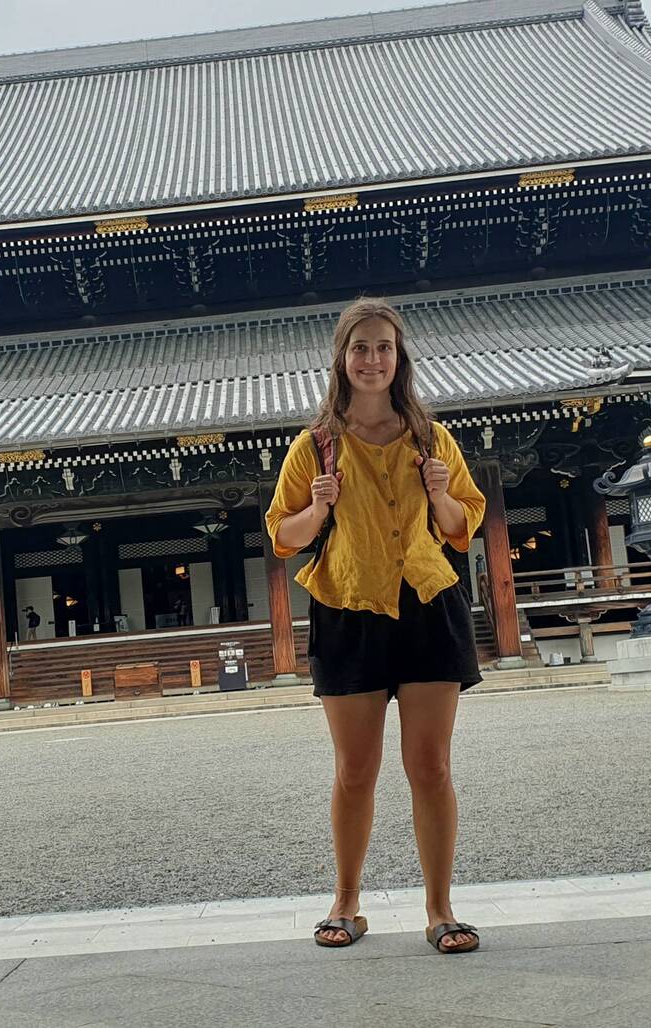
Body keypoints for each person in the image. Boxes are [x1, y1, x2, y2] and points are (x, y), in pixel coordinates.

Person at [265, 298, 486, 955]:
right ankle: (346, 902)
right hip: (348, 607)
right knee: (355, 770)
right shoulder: (314, 447)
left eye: (384, 347)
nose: (372, 360)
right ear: (341, 358)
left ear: (399, 357)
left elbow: (459, 527)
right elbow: (282, 534)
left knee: (432, 767)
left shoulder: (430, 438)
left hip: (427, 606)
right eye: (360, 347)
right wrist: (320, 508)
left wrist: (442, 491)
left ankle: (441, 909)